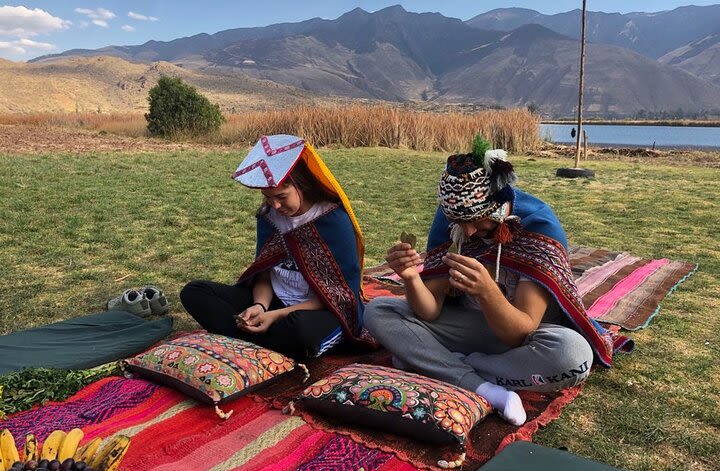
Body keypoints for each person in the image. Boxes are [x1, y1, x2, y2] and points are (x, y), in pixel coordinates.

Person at [364, 136, 633, 426]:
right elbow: (429, 311)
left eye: (476, 221)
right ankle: (486, 388)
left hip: (524, 340)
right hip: (468, 327)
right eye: (458, 222)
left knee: (573, 356)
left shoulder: (538, 227)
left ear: (499, 207)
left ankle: (437, 363)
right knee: (378, 311)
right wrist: (411, 280)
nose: (467, 232)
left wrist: (487, 291)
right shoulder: (453, 221)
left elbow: (520, 332)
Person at [181, 134, 376, 359]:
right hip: (274, 302)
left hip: (320, 310)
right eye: (267, 197)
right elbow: (264, 275)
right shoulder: (269, 218)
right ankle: (264, 341)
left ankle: (248, 340)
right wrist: (260, 307)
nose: (275, 205)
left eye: (282, 196)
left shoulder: (333, 222)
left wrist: (276, 316)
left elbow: (341, 295)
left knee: (301, 330)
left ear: (302, 185)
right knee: (195, 293)